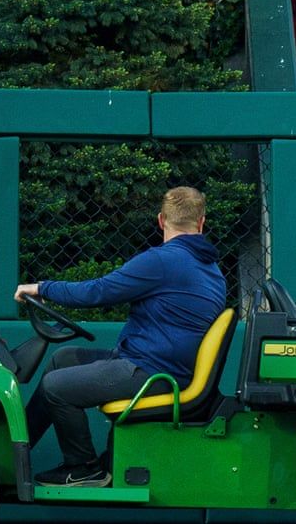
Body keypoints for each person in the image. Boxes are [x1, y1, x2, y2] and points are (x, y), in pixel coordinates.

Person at [14, 187, 225, 487]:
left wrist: (41, 288)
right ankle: (15, 456)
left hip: (152, 372)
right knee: (62, 359)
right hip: (158, 364)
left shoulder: (164, 262)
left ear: (161, 220)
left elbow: (98, 291)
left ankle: (83, 467)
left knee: (55, 386)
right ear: (202, 223)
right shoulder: (210, 268)